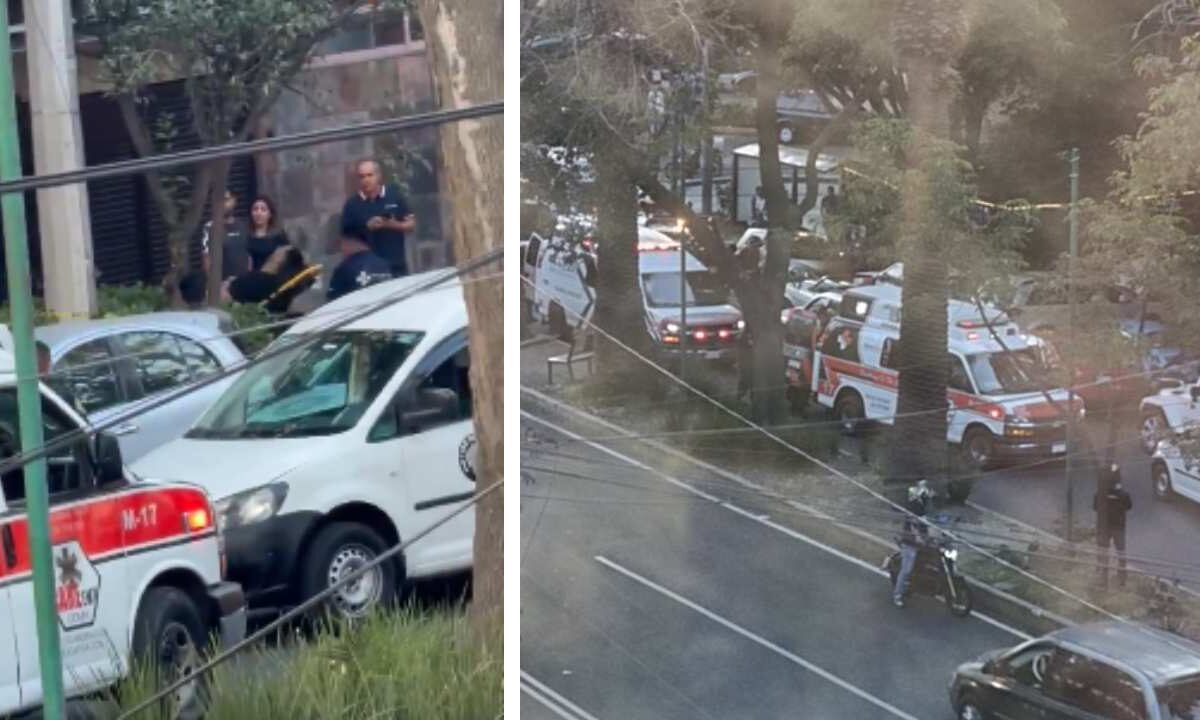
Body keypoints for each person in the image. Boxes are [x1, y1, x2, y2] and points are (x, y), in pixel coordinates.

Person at [340, 159, 415, 278]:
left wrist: (391, 224)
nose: (366, 180)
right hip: (366, 272)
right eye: (362, 177)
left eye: (370, 175)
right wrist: (367, 227)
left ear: (378, 176)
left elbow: (411, 225)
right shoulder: (351, 205)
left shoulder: (394, 195)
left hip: (396, 268)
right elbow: (344, 241)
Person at [222, 245, 314, 314]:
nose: (276, 250)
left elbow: (227, 294)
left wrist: (228, 283)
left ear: (280, 259)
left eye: (280, 250)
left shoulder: (258, 281)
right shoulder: (281, 287)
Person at [893, 479, 933, 607]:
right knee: (907, 569)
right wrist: (919, 537)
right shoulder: (912, 505)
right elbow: (913, 525)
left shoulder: (925, 505)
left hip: (922, 540)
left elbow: (928, 522)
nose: (925, 490)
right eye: (922, 487)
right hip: (910, 542)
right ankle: (897, 595)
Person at [1094, 464, 1132, 588]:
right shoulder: (1123, 495)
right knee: (1121, 553)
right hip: (1119, 527)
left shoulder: (1099, 494)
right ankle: (1122, 579)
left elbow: (1095, 507)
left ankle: (1102, 578)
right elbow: (1129, 506)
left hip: (1104, 527)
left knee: (1103, 552)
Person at [327, 233, 393, 302]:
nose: (342, 249)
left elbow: (333, 301)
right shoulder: (383, 264)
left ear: (350, 242)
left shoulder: (345, 267)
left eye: (341, 244)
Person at [202, 190, 251, 281]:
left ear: (234, 201)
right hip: (224, 286)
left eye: (226, 199)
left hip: (244, 283)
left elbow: (248, 254)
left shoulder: (243, 225)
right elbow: (207, 260)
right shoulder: (210, 227)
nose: (223, 204)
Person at [37, 341, 85, 417]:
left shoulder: (16, 393)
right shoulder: (61, 395)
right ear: (48, 363)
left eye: (38, 361)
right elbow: (84, 423)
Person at [246, 195, 289, 272]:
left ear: (270, 214)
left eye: (263, 209)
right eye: (255, 209)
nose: (259, 213)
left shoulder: (278, 235)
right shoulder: (246, 236)